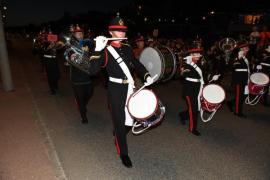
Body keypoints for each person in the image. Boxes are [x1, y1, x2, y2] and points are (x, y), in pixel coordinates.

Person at [78, 16, 154, 167]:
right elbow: (92, 71)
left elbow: (136, 64)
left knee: (131, 119)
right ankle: (123, 153)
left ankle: (119, 135)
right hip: (116, 90)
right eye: (117, 31)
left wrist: (146, 75)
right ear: (110, 32)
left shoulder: (126, 48)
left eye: (122, 30)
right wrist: (98, 49)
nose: (120, 33)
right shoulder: (105, 51)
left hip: (130, 88)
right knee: (119, 122)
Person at [178, 45, 214, 136]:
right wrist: (187, 64)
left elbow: (201, 77)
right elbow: (182, 75)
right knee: (194, 109)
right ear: (191, 55)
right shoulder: (187, 64)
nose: (198, 55)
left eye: (198, 53)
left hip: (198, 88)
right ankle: (192, 128)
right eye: (195, 53)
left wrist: (211, 78)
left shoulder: (199, 64)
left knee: (196, 108)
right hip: (189, 90)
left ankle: (182, 115)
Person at [68, 25, 94, 123]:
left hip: (87, 76)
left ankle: (81, 104)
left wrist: (89, 53)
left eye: (81, 33)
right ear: (74, 35)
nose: (80, 35)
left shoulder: (87, 44)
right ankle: (84, 117)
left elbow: (92, 58)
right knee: (81, 98)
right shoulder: (71, 46)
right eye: (78, 33)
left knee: (89, 93)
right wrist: (83, 53)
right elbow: (74, 60)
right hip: (77, 77)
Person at [227, 42, 250, 118]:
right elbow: (232, 66)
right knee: (239, 96)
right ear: (240, 49)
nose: (246, 49)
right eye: (244, 48)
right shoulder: (236, 56)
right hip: (238, 79)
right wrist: (238, 58)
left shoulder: (246, 58)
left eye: (246, 48)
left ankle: (231, 103)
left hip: (244, 79)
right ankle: (237, 112)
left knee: (243, 95)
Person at [42, 30, 62, 95]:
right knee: (50, 76)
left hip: (54, 60)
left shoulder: (55, 43)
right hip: (48, 61)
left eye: (52, 35)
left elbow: (59, 50)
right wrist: (49, 47)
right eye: (50, 35)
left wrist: (60, 45)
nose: (51, 36)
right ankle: (52, 89)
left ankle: (55, 84)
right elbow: (43, 50)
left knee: (57, 74)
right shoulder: (45, 43)